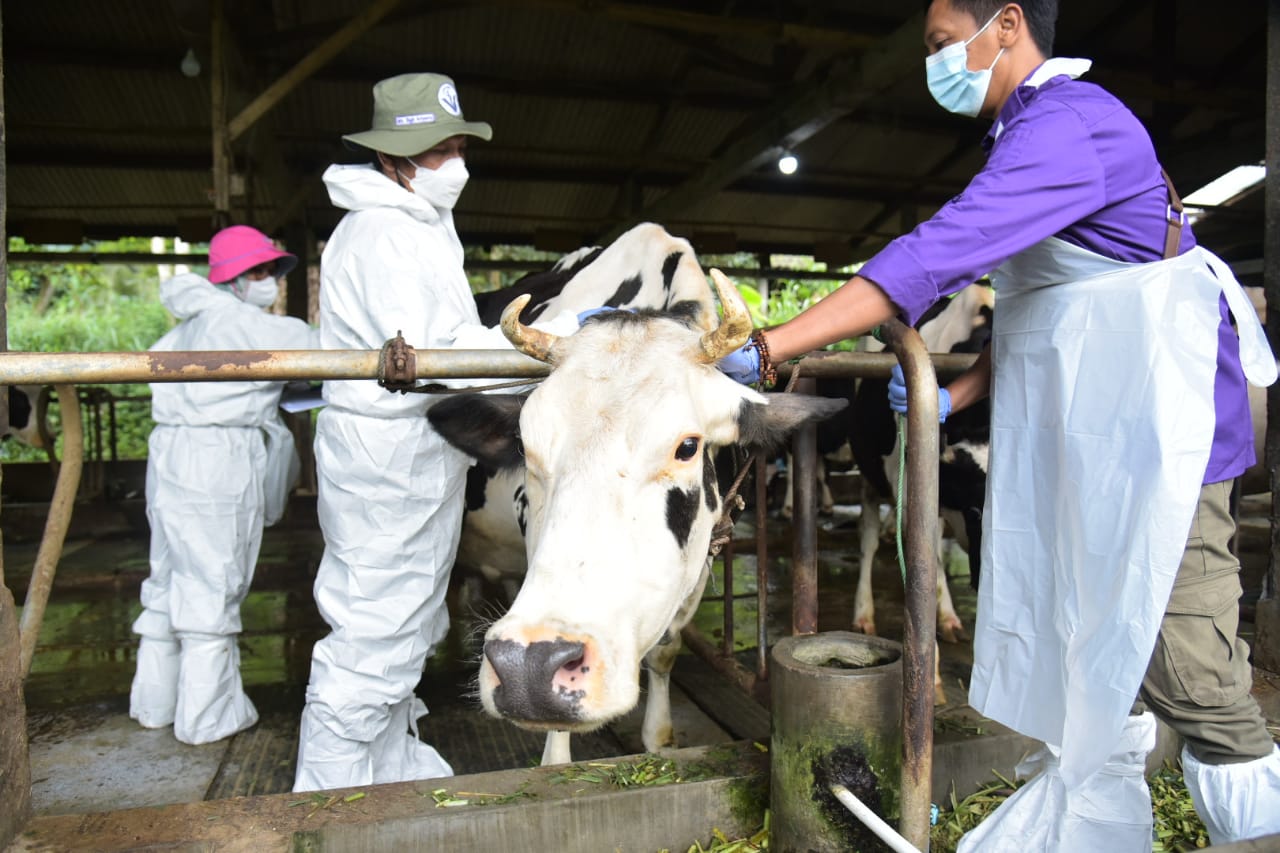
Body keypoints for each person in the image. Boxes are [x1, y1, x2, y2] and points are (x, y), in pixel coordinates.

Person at [721, 1, 1280, 848]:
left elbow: (937, 252)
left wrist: (772, 346)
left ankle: (1257, 822)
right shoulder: (1025, 134)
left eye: (944, 45)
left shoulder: (1073, 125)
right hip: (1101, 426)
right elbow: (1055, 310)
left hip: (1168, 427)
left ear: (1008, 24)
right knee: (1094, 635)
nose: (935, 65)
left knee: (1186, 659)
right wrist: (958, 396)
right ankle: (1104, 824)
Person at [293, 72, 579, 792]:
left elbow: (449, 344)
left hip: (410, 451)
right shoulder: (386, 232)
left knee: (408, 619)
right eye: (436, 150)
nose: (455, 163)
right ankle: (321, 799)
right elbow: (448, 357)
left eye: (456, 145)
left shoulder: (417, 222)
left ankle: (383, 769)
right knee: (372, 628)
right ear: (392, 159)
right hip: (385, 455)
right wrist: (563, 341)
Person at [130, 225, 315, 745]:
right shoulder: (256, 327)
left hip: (168, 454)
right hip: (218, 457)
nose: (269, 282)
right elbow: (329, 351)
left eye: (271, 272)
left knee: (168, 579)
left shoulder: (187, 326)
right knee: (215, 580)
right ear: (231, 280)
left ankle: (155, 702)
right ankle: (207, 717)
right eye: (257, 272)